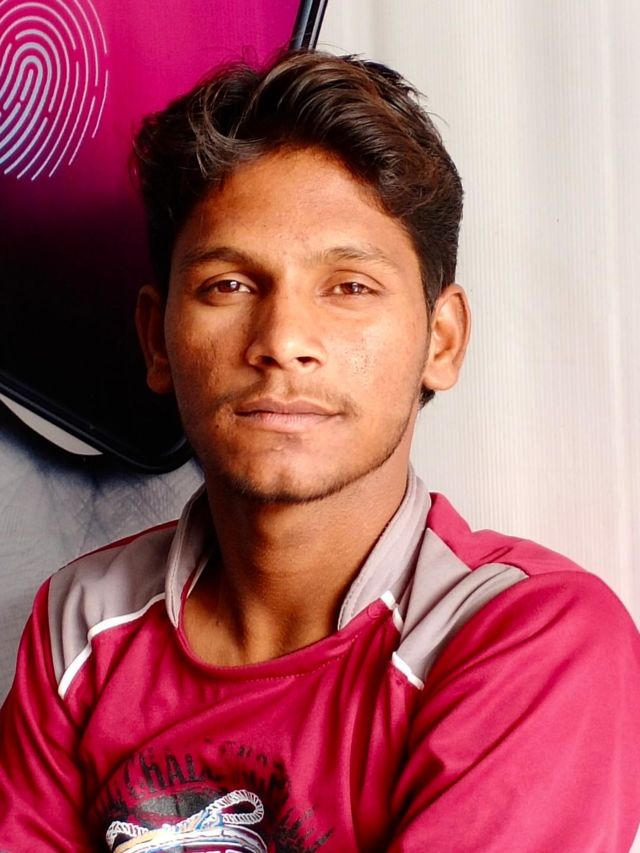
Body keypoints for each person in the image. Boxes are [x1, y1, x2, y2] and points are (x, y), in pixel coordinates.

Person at [0, 49, 639, 853]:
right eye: (229, 285)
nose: (283, 340)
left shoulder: (529, 638)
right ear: (156, 339)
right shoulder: (83, 621)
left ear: (441, 340)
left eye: (349, 287)